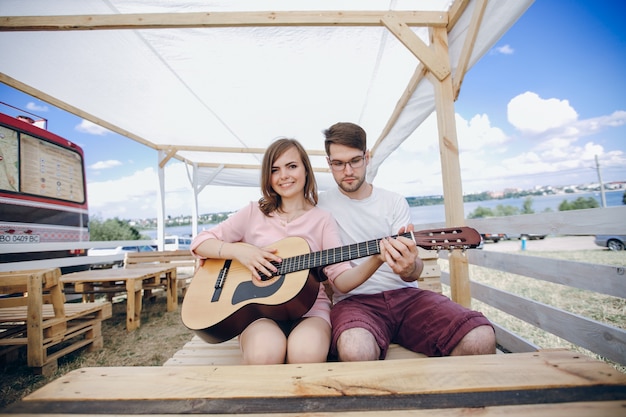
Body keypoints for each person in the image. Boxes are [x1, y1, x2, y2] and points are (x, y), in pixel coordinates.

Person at [190, 138, 383, 365]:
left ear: (305, 170)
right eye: (275, 170)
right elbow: (201, 242)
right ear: (268, 177)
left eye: (292, 166)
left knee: (306, 354)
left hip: (309, 310)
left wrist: (377, 257)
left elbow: (341, 278)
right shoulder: (253, 212)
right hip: (257, 313)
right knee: (265, 353)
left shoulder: (322, 219)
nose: (284, 176)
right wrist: (241, 252)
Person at [318, 122, 496, 361]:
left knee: (480, 337)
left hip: (407, 298)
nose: (348, 171)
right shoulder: (320, 206)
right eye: (338, 163)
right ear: (329, 163)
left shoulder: (394, 202)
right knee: (355, 348)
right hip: (354, 303)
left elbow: (413, 274)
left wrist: (411, 267)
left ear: (367, 157)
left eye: (355, 161)